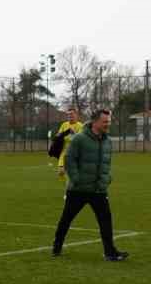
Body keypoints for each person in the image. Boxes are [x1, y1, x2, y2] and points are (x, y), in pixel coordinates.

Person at [51, 108, 127, 260]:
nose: (108, 124)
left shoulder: (107, 141)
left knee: (106, 220)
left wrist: (107, 179)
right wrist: (76, 179)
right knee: (66, 219)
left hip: (99, 189)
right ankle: (56, 247)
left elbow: (106, 163)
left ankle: (110, 252)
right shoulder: (79, 139)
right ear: (95, 122)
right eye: (105, 121)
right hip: (78, 189)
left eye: (109, 121)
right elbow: (69, 160)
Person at [51, 107, 83, 178]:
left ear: (76, 115)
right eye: (68, 115)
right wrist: (58, 136)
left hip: (76, 152)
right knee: (61, 172)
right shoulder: (64, 125)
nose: (70, 116)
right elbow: (59, 135)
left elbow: (80, 139)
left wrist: (74, 133)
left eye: (71, 114)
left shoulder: (80, 126)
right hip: (64, 151)